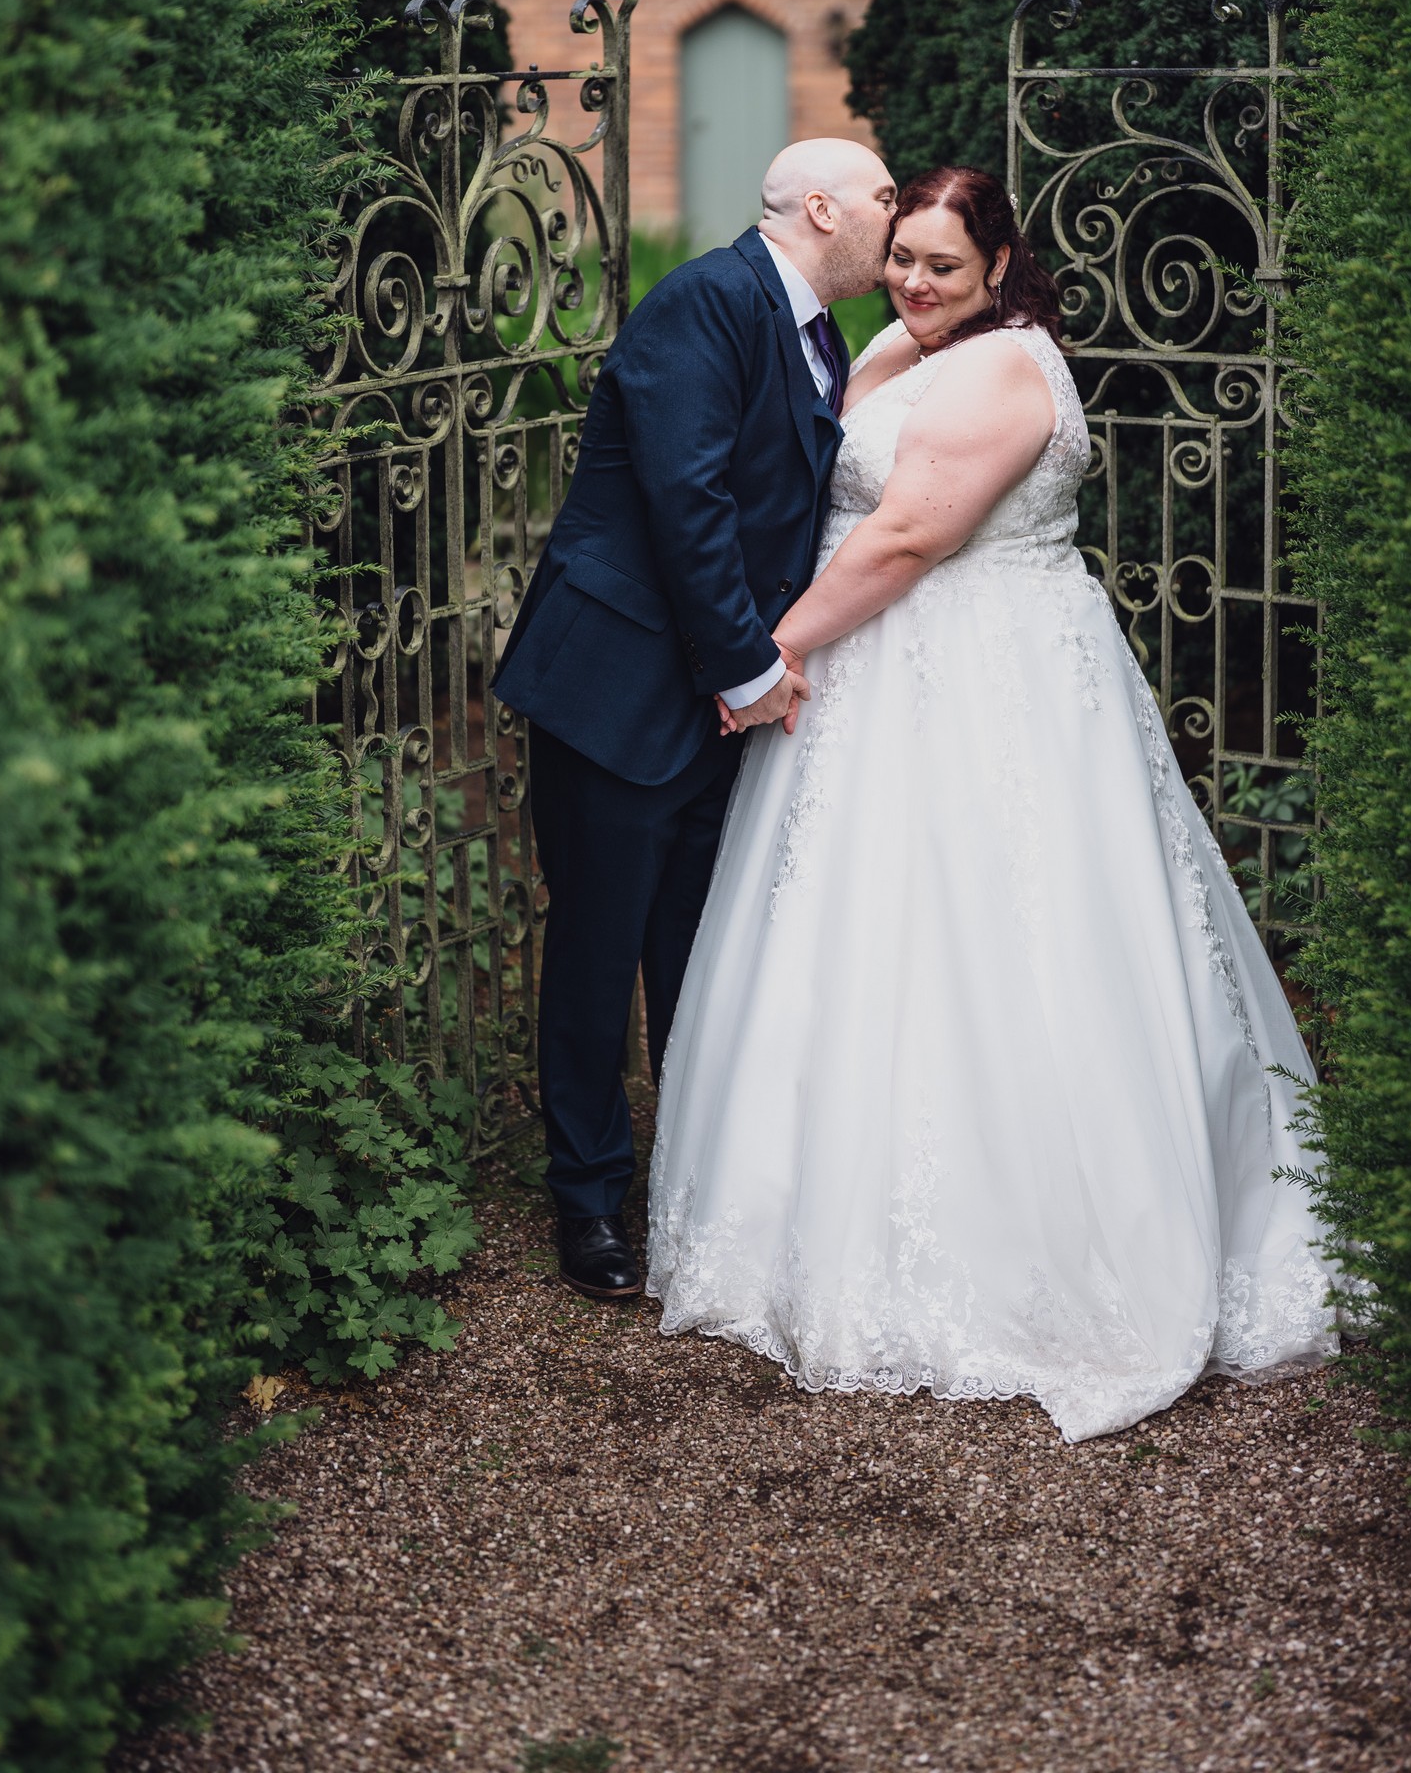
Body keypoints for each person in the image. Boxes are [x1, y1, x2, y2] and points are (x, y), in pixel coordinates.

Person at [647, 166, 1339, 1441]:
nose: (913, 282)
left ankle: (1043, 1242)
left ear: (1003, 264)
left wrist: (769, 659)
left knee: (1003, 928)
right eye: (902, 257)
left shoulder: (1002, 369)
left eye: (943, 267)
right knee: (866, 939)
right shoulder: (912, 348)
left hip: (980, 679)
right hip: (885, 679)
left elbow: (908, 536)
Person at [493, 137, 898, 1300]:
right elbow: (687, 498)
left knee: (694, 946)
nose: (892, 209)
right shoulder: (705, 302)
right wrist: (748, 667)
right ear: (818, 207)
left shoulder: (822, 333)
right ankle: (588, 1204)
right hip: (616, 686)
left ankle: (693, 1179)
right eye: (880, 195)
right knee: (595, 948)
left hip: (716, 703)